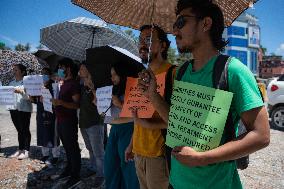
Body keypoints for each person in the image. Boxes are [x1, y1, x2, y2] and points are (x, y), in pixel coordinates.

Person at [137, 0, 270, 188]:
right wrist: (152, 94)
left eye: (181, 22)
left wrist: (202, 158)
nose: (174, 31)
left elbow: (261, 135)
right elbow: (178, 122)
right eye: (174, 25)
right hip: (177, 182)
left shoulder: (232, 71)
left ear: (206, 24)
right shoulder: (182, 71)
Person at [125, 25, 172, 189]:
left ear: (163, 46)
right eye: (140, 40)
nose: (142, 45)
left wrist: (148, 125)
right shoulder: (141, 76)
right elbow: (138, 116)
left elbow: (177, 122)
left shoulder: (173, 73)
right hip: (138, 152)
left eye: (148, 39)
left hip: (158, 156)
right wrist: (131, 145)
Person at [104, 65, 139, 189]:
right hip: (114, 130)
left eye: (115, 74)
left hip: (129, 130)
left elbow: (139, 115)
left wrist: (120, 105)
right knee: (110, 165)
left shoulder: (135, 89)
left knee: (129, 169)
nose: (112, 77)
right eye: (111, 74)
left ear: (123, 74)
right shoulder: (114, 90)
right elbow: (107, 115)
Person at [52, 58, 81, 188]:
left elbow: (77, 104)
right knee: (67, 147)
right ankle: (69, 169)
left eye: (61, 67)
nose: (59, 70)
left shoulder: (73, 84)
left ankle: (76, 175)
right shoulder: (63, 83)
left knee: (72, 148)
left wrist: (61, 103)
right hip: (61, 119)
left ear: (68, 68)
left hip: (69, 121)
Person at [78, 63, 105, 188]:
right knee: (90, 148)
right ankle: (93, 167)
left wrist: (93, 88)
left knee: (99, 152)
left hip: (94, 122)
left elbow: (99, 103)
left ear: (89, 70)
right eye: (80, 68)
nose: (80, 70)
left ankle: (101, 175)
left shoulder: (97, 84)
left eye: (83, 68)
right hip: (84, 122)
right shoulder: (81, 85)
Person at [32, 68, 60, 165]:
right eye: (42, 74)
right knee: (42, 132)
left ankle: (56, 155)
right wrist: (31, 95)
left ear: (50, 75)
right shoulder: (38, 86)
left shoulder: (54, 85)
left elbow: (56, 98)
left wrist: (46, 94)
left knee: (53, 133)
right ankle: (45, 154)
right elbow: (34, 100)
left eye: (46, 74)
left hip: (52, 113)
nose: (44, 76)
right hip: (41, 112)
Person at [8, 64, 33, 160]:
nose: (14, 72)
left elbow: (31, 98)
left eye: (16, 70)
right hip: (13, 109)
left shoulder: (27, 82)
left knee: (25, 129)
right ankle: (20, 149)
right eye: (14, 70)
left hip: (24, 109)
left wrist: (21, 92)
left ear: (22, 72)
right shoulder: (11, 83)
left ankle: (27, 150)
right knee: (19, 130)